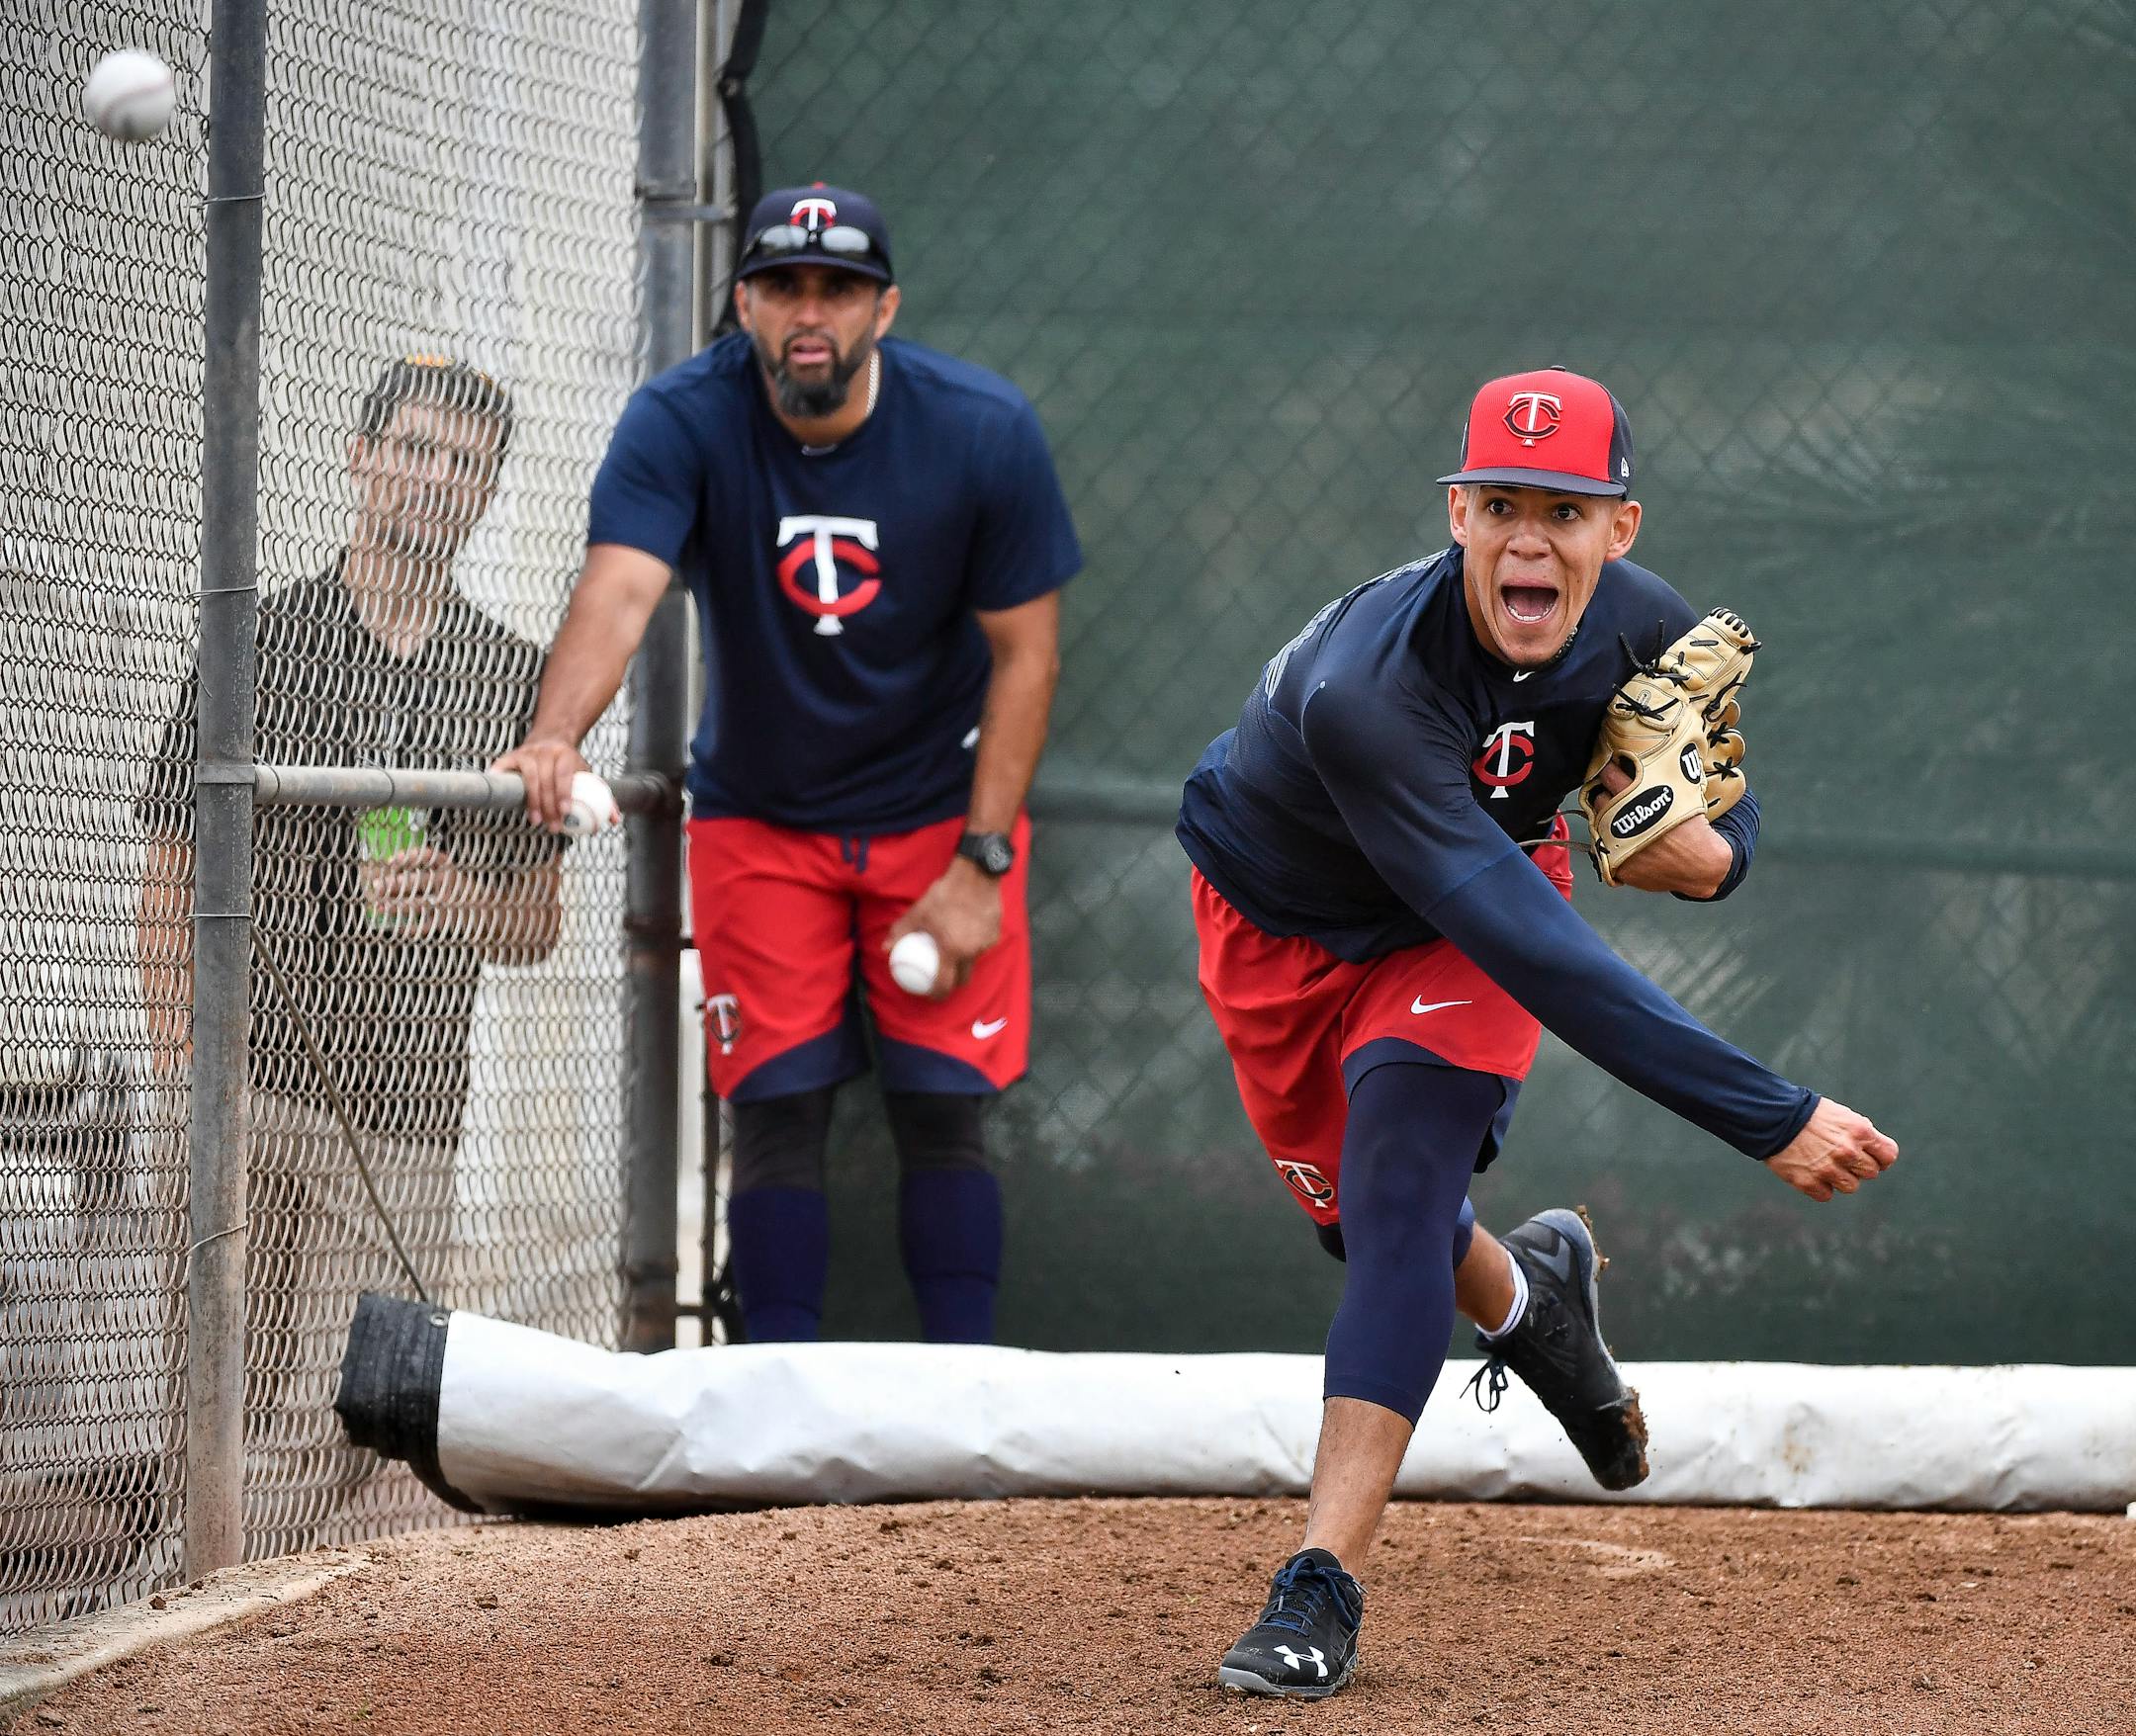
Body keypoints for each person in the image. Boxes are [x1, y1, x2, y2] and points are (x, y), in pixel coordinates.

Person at [1176, 367, 1899, 1699]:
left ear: (1619, 529)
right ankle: (1536, 1304)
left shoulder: (1648, 629)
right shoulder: (1366, 692)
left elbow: (1730, 823)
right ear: (1455, 511)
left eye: (1564, 510)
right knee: (1374, 1228)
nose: (1529, 538)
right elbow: (1550, 962)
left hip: (1468, 924)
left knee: (1400, 1195)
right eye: (1500, 503)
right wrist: (1768, 1113)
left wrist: (1706, 857)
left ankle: (1316, 1588)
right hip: (1283, 924)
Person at [497, 185, 1080, 1345]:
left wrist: (981, 858)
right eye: (783, 287)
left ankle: (959, 1404)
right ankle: (776, 1428)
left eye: (839, 288)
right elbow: (620, 591)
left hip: (935, 817)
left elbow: (1028, 656)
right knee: (775, 1110)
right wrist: (556, 732)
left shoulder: (981, 426)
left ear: (885, 307)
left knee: (942, 1113)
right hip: (762, 822)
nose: (809, 311)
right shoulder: (681, 419)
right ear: (743, 301)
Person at [136, 356, 565, 1553]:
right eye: (416, 448)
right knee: (207, 1378)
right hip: (248, 1076)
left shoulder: (512, 676)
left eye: (464, 463)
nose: (436, 478)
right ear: (361, 456)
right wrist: (181, 1060)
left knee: (339, 1401)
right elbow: (170, 860)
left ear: (486, 495)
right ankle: (204, 1586)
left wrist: (465, 902)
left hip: (405, 1105)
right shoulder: (260, 639)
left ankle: (213, 1590)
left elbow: (538, 922)